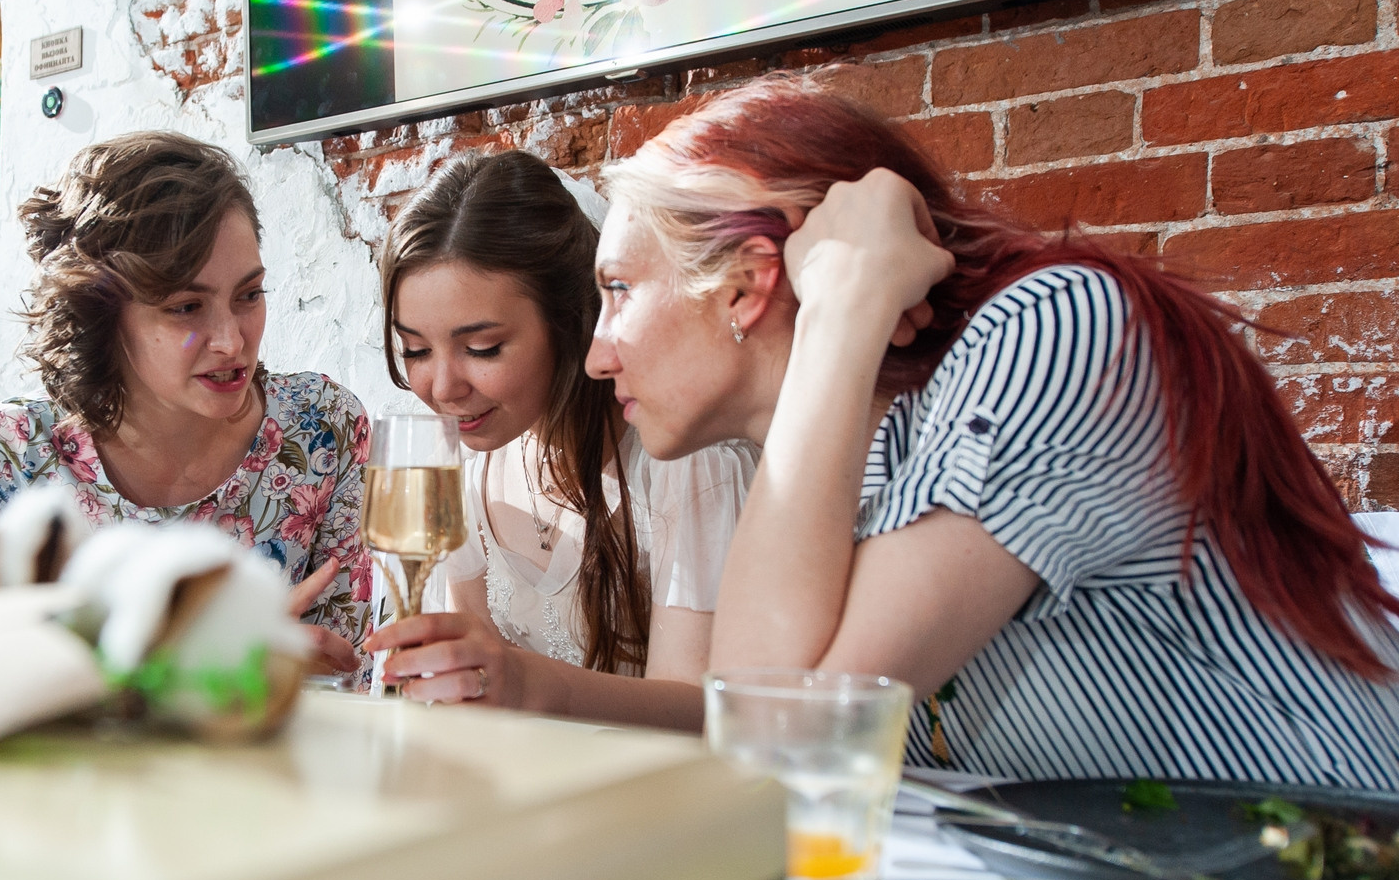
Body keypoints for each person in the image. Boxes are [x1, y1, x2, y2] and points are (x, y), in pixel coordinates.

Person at [589, 73, 1399, 787]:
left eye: (619, 288)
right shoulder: (842, 461)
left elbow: (780, 741)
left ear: (747, 284)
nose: (596, 354)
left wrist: (840, 310)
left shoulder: (1054, 332)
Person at [0, 131, 372, 678]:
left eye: (248, 295)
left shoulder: (322, 431)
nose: (230, 340)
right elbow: (6, 695)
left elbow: (341, 676)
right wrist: (208, 658)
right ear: (103, 315)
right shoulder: (6, 460)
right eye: (187, 306)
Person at [367, 150, 756, 724]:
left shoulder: (690, 467)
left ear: (570, 321)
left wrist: (526, 683)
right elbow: (475, 705)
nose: (443, 386)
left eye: (482, 349)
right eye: (416, 350)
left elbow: (705, 716)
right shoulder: (470, 471)